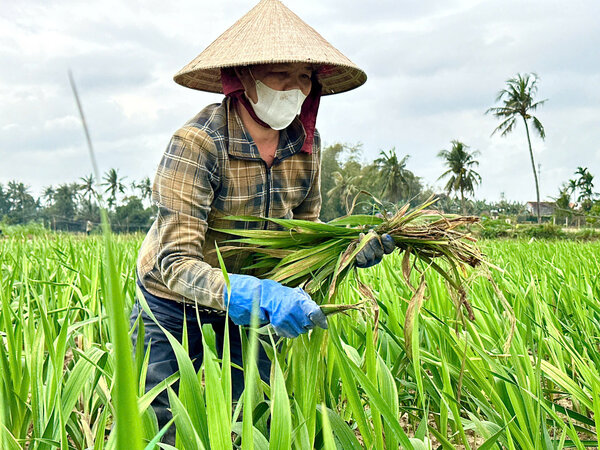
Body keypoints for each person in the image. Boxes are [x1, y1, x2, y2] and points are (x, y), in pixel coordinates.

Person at [131, 0, 394, 443]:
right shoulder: (197, 144)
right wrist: (254, 293)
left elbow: (304, 232)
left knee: (253, 419)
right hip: (172, 303)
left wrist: (346, 249)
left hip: (256, 305)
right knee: (163, 427)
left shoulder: (306, 144)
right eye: (279, 75)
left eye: (304, 78)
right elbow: (175, 262)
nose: (294, 89)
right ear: (245, 79)